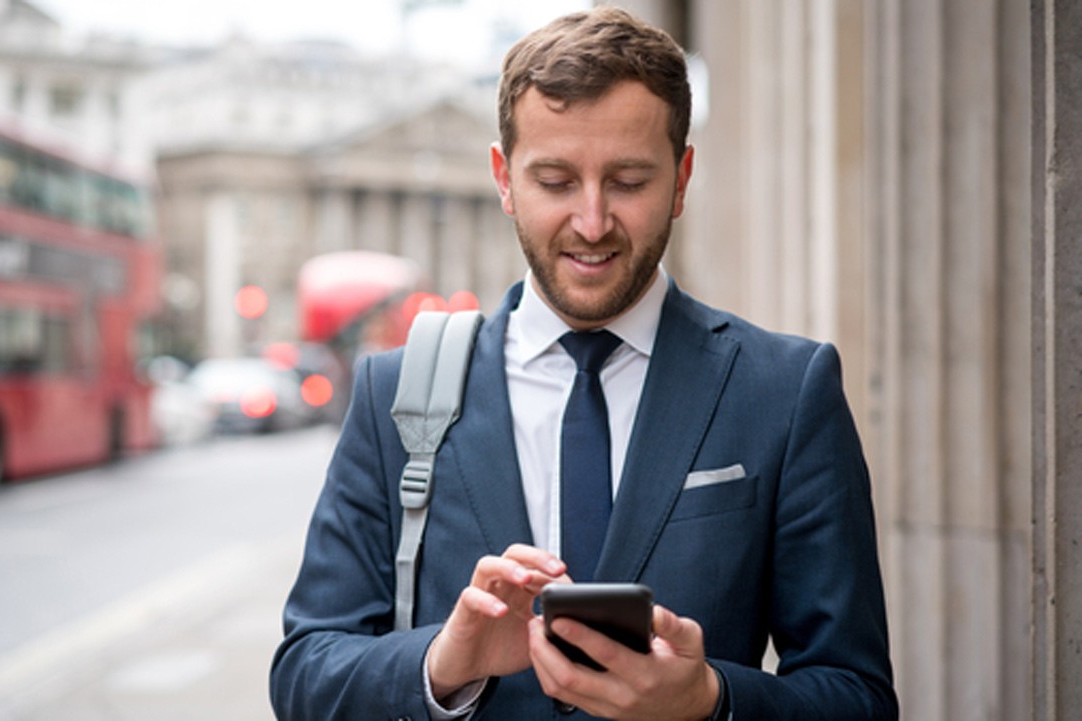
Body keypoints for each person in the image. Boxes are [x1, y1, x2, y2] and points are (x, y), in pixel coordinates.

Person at [270, 7, 897, 720]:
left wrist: (709, 700)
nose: (592, 222)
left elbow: (858, 696)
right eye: (557, 181)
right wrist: (445, 663)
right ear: (504, 179)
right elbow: (305, 674)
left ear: (682, 177)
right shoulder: (393, 392)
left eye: (628, 181)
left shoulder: (787, 391)